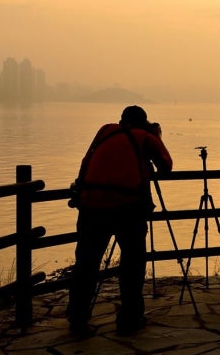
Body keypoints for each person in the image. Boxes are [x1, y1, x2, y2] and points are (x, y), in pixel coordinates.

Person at [67, 105, 172, 336]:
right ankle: (130, 318)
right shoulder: (146, 137)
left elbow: (86, 162)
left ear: (121, 120)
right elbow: (167, 168)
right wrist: (153, 146)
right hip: (129, 208)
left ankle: (77, 319)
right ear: (144, 123)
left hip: (91, 205)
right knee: (133, 264)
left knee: (86, 264)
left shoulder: (105, 130)